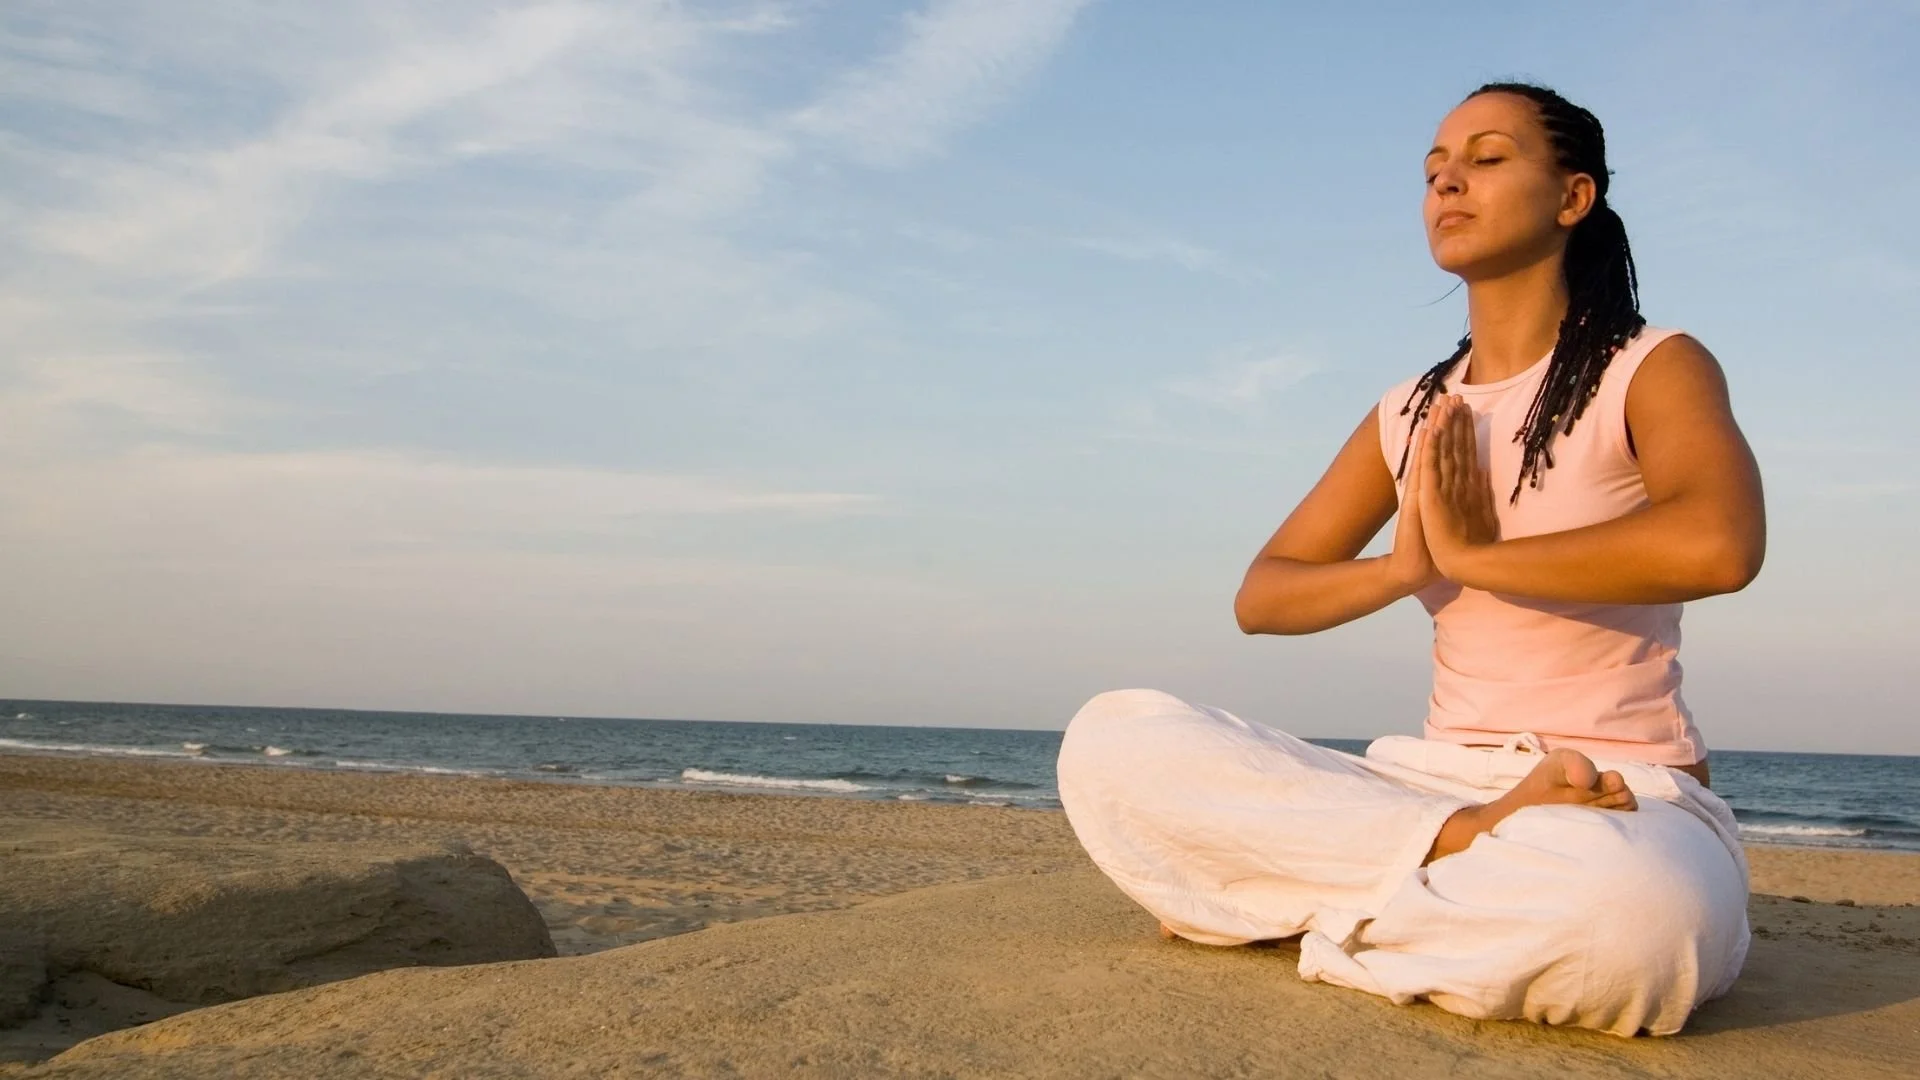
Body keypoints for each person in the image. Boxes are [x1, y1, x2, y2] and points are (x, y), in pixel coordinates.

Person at [1055, 82, 1766, 1038]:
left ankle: (1300, 907)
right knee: (1114, 739)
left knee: (1640, 923)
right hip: (1433, 792)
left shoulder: (1652, 365)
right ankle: (1452, 856)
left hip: (1620, 792)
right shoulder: (1410, 410)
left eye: (1486, 158)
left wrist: (1478, 555)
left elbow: (1720, 544)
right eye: (1434, 171)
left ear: (1573, 197)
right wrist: (1403, 570)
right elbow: (1263, 596)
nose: (1448, 183)